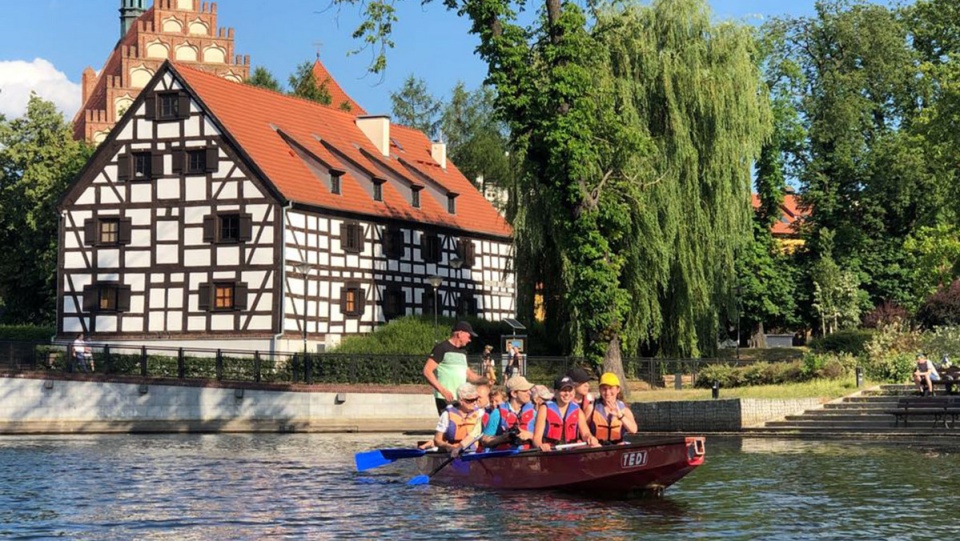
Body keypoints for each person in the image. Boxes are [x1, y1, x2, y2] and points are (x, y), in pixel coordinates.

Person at [423, 321, 485, 414]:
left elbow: (468, 374)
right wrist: (443, 391)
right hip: (446, 397)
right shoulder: (442, 348)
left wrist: (485, 379)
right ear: (460, 334)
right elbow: (427, 371)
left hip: (461, 397)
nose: (470, 340)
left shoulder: (463, 352)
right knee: (451, 425)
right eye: (469, 336)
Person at [532, 375, 600, 452]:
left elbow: (585, 433)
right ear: (556, 392)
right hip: (551, 452)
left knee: (597, 446)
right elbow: (536, 438)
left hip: (571, 452)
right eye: (563, 390)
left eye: (570, 390)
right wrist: (541, 445)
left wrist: (589, 437)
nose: (567, 393)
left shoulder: (577, 410)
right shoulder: (544, 409)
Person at [481, 376, 536, 450]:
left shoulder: (534, 412)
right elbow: (484, 441)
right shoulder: (497, 413)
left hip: (529, 457)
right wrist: (502, 438)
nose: (529, 392)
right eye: (525, 390)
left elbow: (543, 439)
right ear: (514, 394)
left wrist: (530, 435)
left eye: (529, 390)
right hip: (505, 458)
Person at [433, 383, 484, 453]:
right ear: (461, 401)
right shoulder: (447, 415)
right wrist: (448, 446)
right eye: (470, 400)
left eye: (476, 399)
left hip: (474, 453)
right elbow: (437, 440)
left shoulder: (480, 413)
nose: (474, 403)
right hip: (453, 453)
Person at [589, 372, 638, 444]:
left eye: (611, 388)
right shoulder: (591, 408)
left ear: (618, 390)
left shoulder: (624, 410)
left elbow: (633, 430)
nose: (607, 392)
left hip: (617, 445)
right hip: (597, 446)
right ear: (600, 390)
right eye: (604, 389)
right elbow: (583, 429)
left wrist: (620, 416)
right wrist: (590, 438)